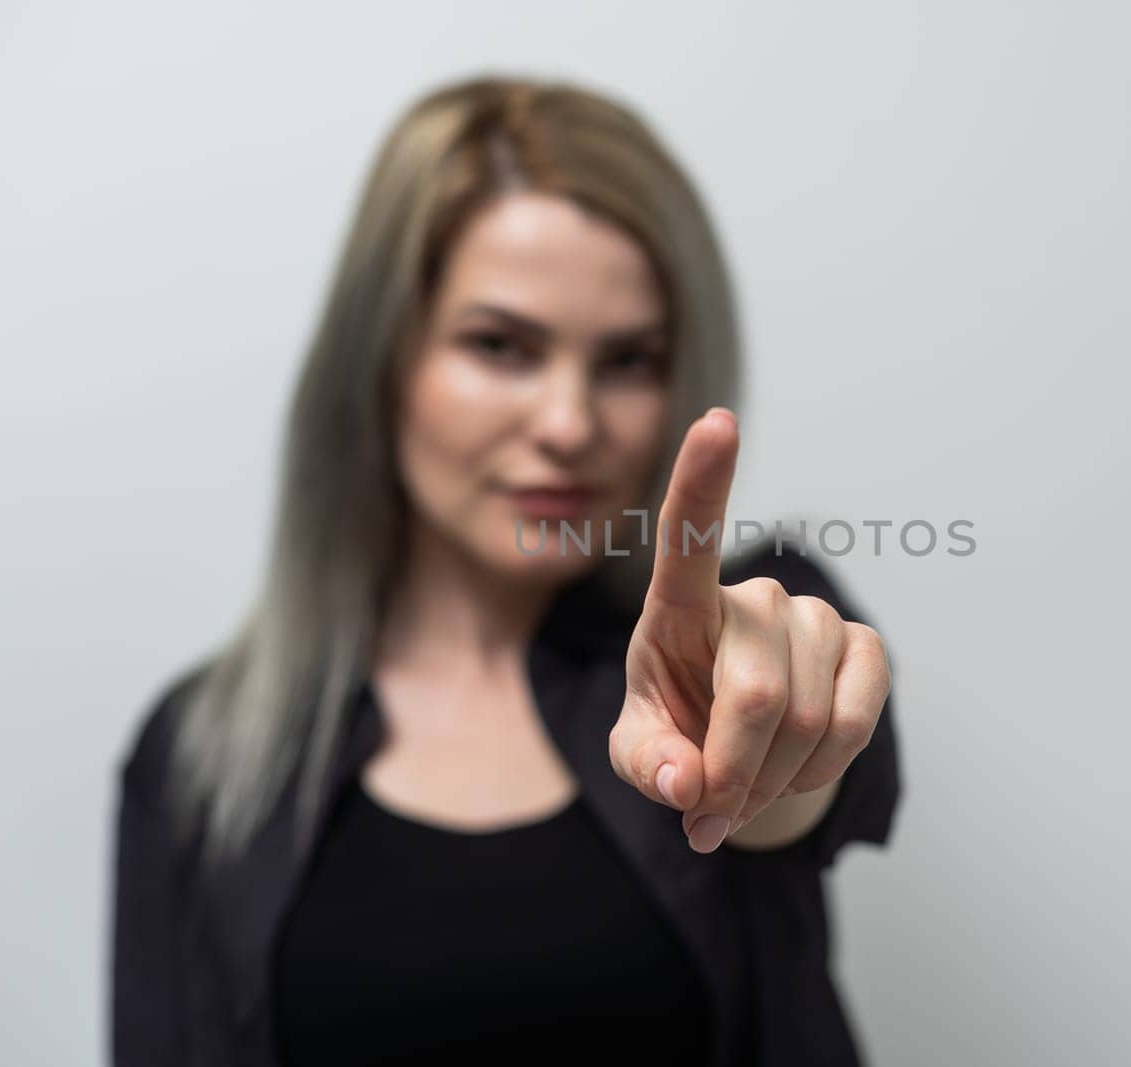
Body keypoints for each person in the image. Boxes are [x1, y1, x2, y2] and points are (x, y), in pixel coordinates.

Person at [109, 73, 902, 1067]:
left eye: (628, 361)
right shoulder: (203, 751)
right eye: (500, 345)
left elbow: (792, 768)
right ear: (384, 360)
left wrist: (770, 732)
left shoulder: (740, 632)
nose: (568, 425)